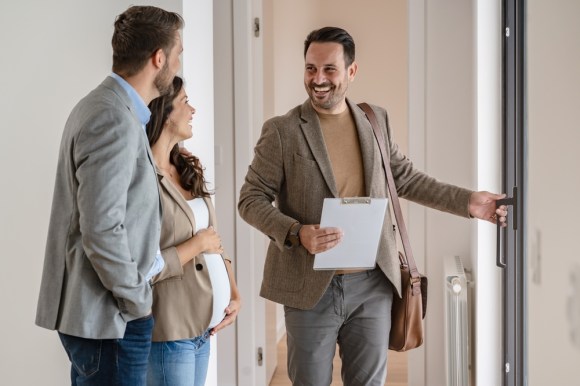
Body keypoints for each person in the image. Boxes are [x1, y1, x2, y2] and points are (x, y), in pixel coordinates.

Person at [238, 26, 508, 386]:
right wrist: (296, 232)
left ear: (351, 71)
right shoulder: (283, 130)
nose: (318, 79)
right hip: (308, 286)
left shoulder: (374, 120)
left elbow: (407, 179)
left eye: (329, 69)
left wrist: (468, 202)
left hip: (372, 284)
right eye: (310, 69)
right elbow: (250, 197)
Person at [35, 6, 184, 385]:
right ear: (159, 58)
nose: (179, 65)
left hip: (106, 318)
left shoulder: (108, 108)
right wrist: (137, 303)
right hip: (110, 321)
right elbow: (101, 228)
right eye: (178, 54)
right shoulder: (112, 117)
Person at [145, 76, 241, 386]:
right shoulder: (143, 178)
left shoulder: (186, 166)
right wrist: (197, 244)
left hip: (204, 329)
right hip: (171, 331)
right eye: (185, 102)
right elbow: (142, 267)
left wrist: (234, 293)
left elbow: (214, 239)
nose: (193, 109)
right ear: (163, 110)